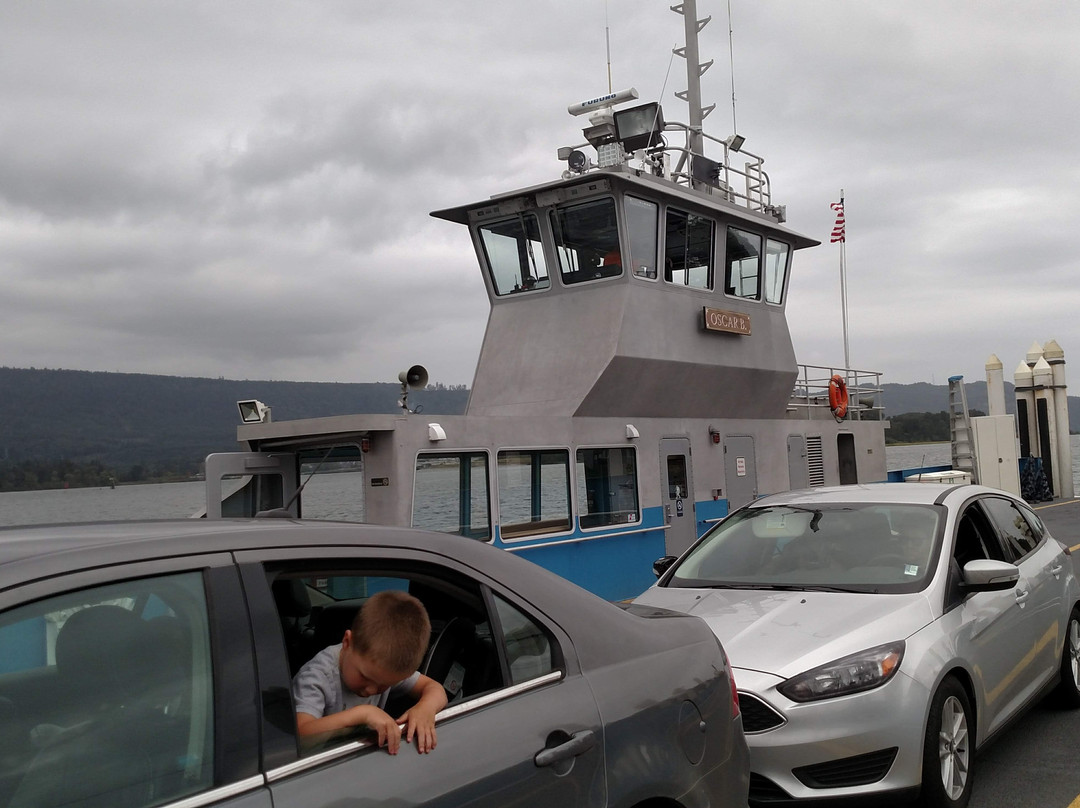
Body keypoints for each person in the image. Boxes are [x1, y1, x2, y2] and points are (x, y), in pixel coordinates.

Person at [292, 590, 448, 754]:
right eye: (364, 677)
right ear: (347, 642)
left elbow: (435, 688)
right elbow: (301, 735)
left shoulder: (380, 670)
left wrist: (425, 709)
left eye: (384, 686)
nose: (371, 690)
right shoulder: (316, 676)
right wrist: (363, 714)